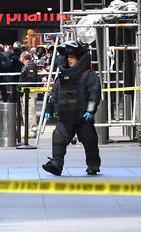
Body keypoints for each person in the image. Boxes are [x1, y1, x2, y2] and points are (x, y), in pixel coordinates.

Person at [42, 40, 101, 176]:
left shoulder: (89, 75)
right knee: (58, 137)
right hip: (65, 115)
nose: (69, 60)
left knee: (89, 139)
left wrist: (90, 110)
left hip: (82, 116)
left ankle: (93, 165)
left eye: (72, 57)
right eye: (68, 57)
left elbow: (95, 93)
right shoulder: (62, 76)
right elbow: (54, 94)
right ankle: (56, 164)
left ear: (79, 58)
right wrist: (49, 109)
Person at [19, 51, 39, 138]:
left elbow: (31, 79)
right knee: (25, 111)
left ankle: (32, 130)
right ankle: (28, 129)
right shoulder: (26, 66)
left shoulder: (30, 66)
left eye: (20, 57)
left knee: (30, 111)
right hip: (25, 91)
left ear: (24, 58)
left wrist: (22, 85)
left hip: (30, 91)